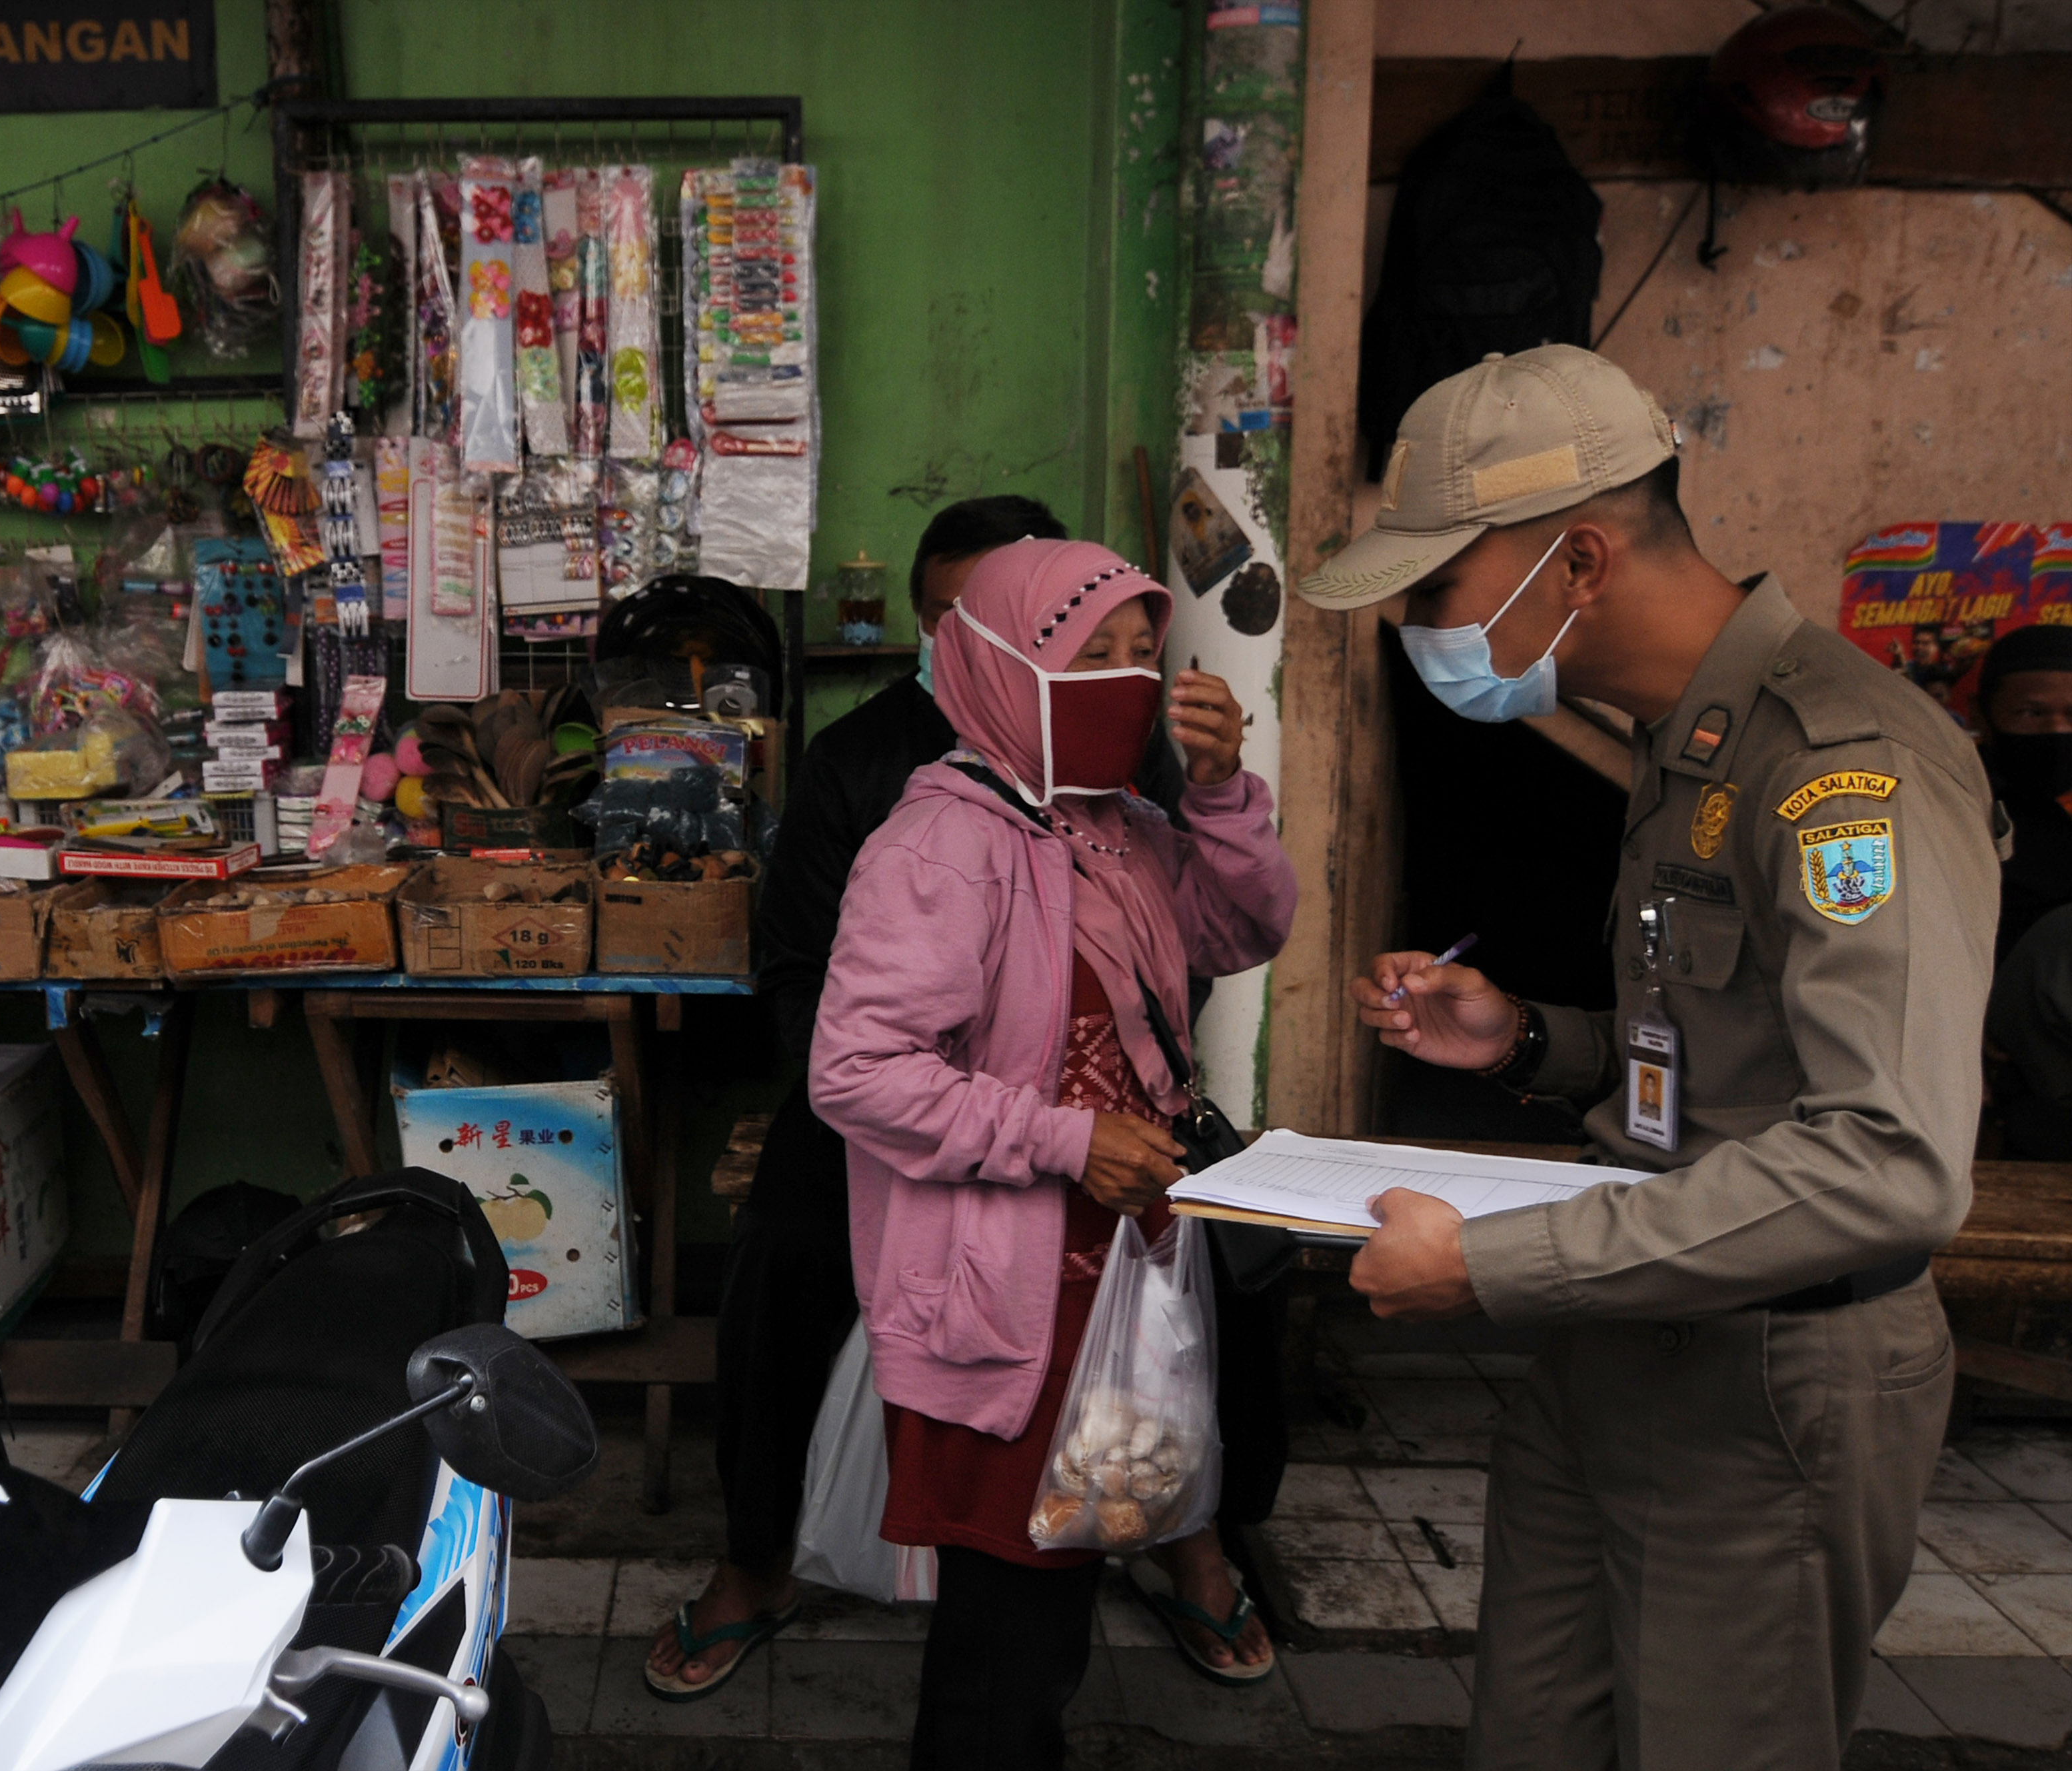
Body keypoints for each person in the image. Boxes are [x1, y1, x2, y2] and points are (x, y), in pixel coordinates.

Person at [1306, 345, 2000, 1770]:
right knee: (1534, 1731)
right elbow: (1728, 1058)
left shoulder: (1837, 764)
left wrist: (1489, 1266)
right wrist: (1530, 1041)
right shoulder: (1688, 743)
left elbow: (1889, 1159)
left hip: (1767, 1371)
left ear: (1572, 558)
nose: (1417, 631)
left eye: (1434, 591)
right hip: (1624, 1330)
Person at [813, 539, 1298, 1767]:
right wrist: (1065, 1138)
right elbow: (858, 1073)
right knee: (1008, 1628)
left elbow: (1243, 928)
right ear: (1005, 666)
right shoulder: (942, 844)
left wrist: (1223, 788)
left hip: (1115, 1285)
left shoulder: (1125, 829)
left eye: (1147, 657)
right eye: (1095, 658)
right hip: (1005, 1301)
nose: (1133, 683)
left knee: (1058, 1595)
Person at [643, 494, 1072, 1702]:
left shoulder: (1108, 757)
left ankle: (1190, 1533)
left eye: (988, 611)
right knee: (781, 1260)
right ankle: (757, 1557)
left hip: (1072, 1103)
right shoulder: (863, 758)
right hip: (881, 1103)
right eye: (942, 615)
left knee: (1203, 1254)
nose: (962, 636)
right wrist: (898, 1104)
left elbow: (1175, 953)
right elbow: (795, 972)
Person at [1974, 624, 2072, 1156]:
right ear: (1982, 717)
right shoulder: (1959, 803)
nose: (2057, 731)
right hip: (2008, 1060)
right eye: (2032, 714)